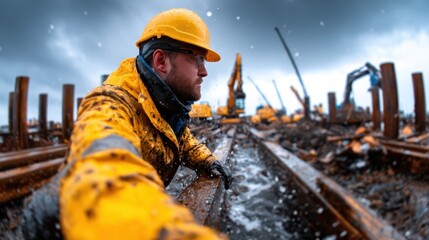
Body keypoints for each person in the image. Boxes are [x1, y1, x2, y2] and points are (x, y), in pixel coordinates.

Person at [21, 8, 231, 240]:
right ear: (161, 61)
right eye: (197, 59)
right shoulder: (109, 105)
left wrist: (208, 160)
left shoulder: (163, 107)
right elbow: (108, 170)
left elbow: (180, 139)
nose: (204, 71)